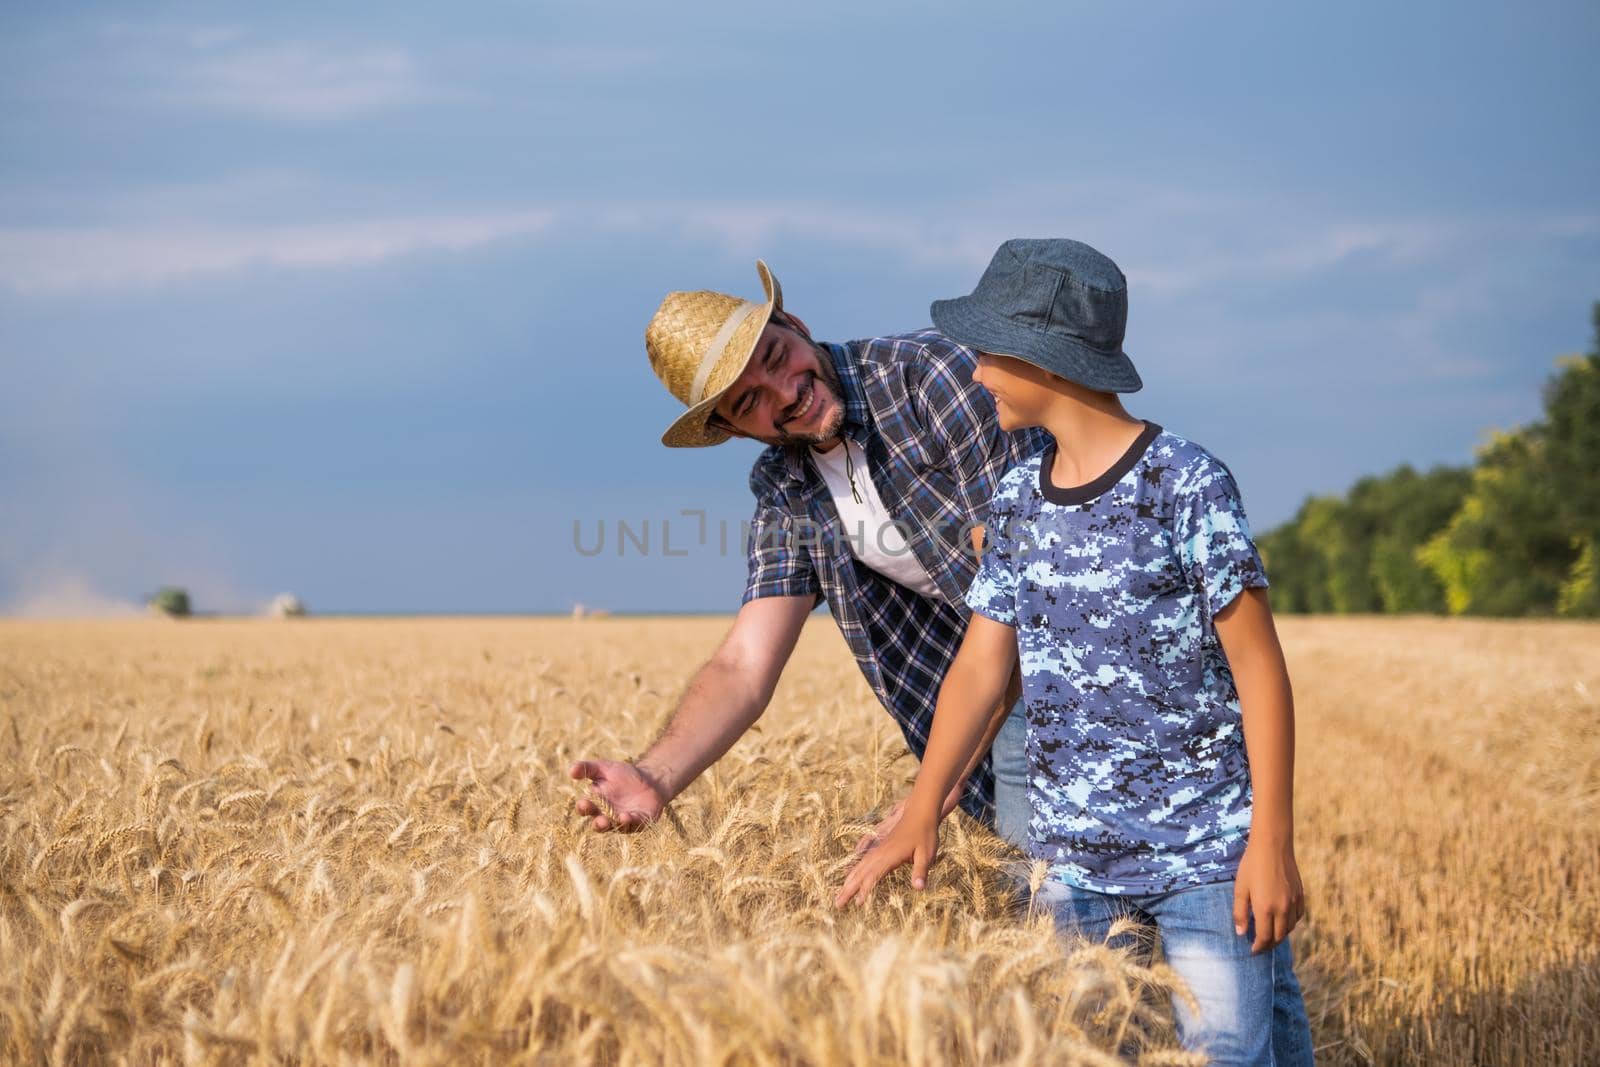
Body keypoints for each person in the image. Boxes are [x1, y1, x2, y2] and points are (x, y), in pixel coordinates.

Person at [835, 239, 1314, 1065]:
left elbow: (1260, 672)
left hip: (1206, 858)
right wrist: (924, 804)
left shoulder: (1186, 482)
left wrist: (1270, 841)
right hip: (1072, 870)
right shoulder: (1016, 500)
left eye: (988, 353)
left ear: (1043, 358)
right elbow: (984, 666)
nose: (977, 374)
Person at [569, 260, 1049, 852]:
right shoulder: (787, 488)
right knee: (1052, 906)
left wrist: (935, 786)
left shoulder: (930, 381)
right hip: (992, 694)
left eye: (774, 357)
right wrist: (655, 777)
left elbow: (1026, 595)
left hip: (1090, 658)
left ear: (793, 322)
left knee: (1055, 904)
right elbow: (744, 664)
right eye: (749, 402)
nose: (786, 392)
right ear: (734, 429)